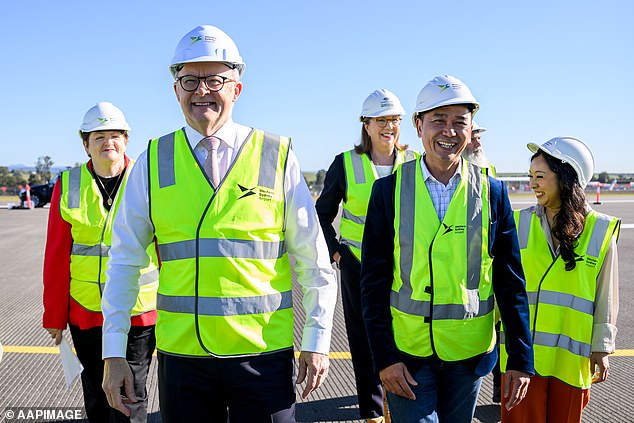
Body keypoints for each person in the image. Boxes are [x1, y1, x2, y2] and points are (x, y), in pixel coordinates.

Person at [101, 25, 338, 422]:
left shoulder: (276, 155)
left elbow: (314, 261)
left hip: (262, 357)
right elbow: (124, 261)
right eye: (189, 80)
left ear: (237, 89)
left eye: (215, 79)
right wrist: (113, 353)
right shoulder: (152, 160)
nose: (201, 91)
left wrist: (316, 340)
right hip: (183, 361)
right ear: (176, 90)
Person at [359, 75, 534, 423]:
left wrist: (519, 358)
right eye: (438, 120)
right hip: (407, 355)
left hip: (468, 355)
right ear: (418, 125)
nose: (449, 132)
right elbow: (373, 284)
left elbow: (510, 283)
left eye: (459, 122)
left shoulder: (493, 193)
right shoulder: (387, 192)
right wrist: (384, 357)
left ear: (472, 129)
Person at [42, 102, 159, 423]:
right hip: (87, 311)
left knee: (129, 395)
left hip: (138, 312)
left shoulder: (147, 179)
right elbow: (56, 256)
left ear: (126, 140)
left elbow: (164, 249)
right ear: (85, 144)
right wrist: (54, 314)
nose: (108, 142)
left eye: (115, 135)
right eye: (99, 136)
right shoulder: (68, 185)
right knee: (96, 393)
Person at [500, 137, 620, 423]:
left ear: (566, 177)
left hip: (570, 361)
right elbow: (502, 287)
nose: (532, 184)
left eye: (540, 176)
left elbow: (607, 294)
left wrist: (602, 346)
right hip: (523, 359)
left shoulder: (600, 231)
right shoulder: (518, 223)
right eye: (530, 176)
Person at [316, 89, 417, 423]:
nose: (389, 126)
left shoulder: (414, 162)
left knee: (404, 336)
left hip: (406, 268)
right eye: (382, 120)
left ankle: (402, 406)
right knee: (363, 341)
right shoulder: (345, 163)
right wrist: (336, 252)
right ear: (367, 124)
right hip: (358, 266)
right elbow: (322, 213)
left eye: (394, 120)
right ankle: (372, 413)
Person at [462, 121, 502, 403]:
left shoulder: (488, 168)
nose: (478, 141)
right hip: (463, 266)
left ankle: (500, 389)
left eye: (479, 135)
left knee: (498, 327)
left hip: (490, 264)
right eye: (473, 135)